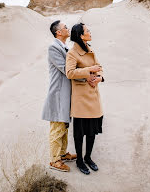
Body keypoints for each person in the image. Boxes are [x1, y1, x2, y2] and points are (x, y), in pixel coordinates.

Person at [66, 23, 104, 175]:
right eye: (88, 30)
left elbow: (99, 67)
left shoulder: (90, 49)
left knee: (92, 131)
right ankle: (80, 160)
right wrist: (89, 71)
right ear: (81, 35)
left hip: (93, 95)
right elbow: (69, 73)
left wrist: (99, 78)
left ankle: (88, 157)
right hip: (81, 98)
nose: (90, 32)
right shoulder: (72, 53)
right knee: (79, 133)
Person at [42, 20, 77, 172]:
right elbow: (66, 69)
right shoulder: (53, 47)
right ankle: (54, 160)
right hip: (57, 93)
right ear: (58, 32)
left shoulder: (65, 47)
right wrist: (86, 74)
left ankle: (62, 154)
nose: (68, 28)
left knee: (64, 125)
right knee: (57, 127)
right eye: (65, 27)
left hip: (65, 93)